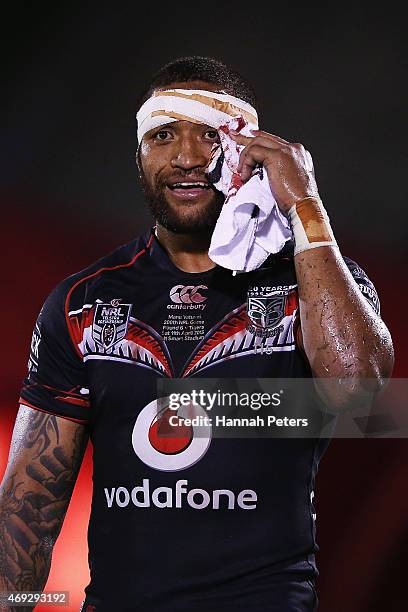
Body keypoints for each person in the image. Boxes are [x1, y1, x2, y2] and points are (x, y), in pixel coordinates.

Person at [0, 56, 394, 612]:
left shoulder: (317, 283)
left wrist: (305, 207)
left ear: (249, 154)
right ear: (139, 156)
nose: (186, 157)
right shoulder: (82, 303)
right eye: (163, 135)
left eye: (210, 135)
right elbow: (28, 502)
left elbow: (358, 397)